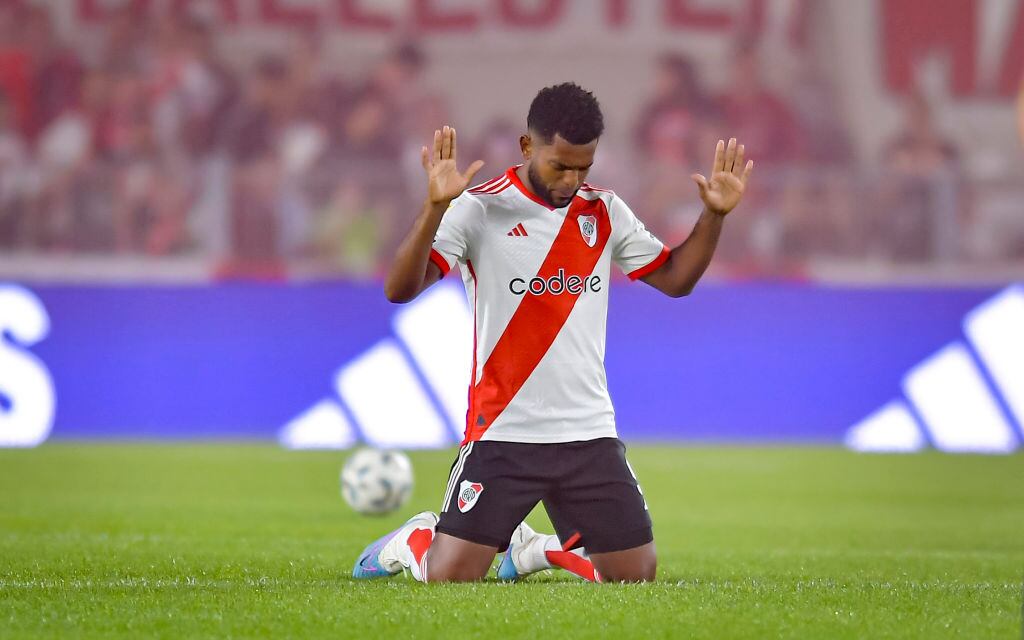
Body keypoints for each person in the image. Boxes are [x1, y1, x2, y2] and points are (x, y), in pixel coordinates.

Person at [352, 83, 753, 583]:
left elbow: (675, 280)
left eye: (583, 167)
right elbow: (399, 289)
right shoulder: (480, 208)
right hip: (504, 431)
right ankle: (415, 538)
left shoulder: (604, 211)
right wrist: (435, 207)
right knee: (449, 578)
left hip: (587, 432)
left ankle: (529, 552)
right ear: (527, 147)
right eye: (559, 165)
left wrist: (714, 214)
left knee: (633, 577)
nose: (571, 179)